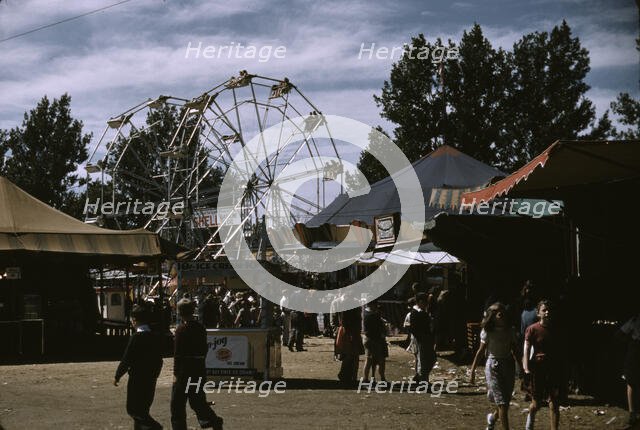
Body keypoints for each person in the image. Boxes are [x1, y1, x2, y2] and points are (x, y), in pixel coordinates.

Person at [171, 298, 223, 430]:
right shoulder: (200, 328)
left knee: (177, 404)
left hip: (184, 371)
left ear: (179, 312)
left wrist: (176, 373)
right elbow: (204, 349)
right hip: (198, 368)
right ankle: (213, 420)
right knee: (197, 402)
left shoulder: (181, 330)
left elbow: (178, 354)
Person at [114, 304, 163, 430]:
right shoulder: (154, 336)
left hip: (137, 379)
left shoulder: (136, 338)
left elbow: (127, 359)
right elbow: (159, 359)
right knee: (144, 409)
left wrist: (118, 375)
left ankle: (155, 427)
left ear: (134, 320)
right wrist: (155, 374)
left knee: (133, 409)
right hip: (151, 378)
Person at [470, 303, 517, 430]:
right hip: (493, 366)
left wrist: (522, 369)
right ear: (492, 315)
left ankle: (492, 419)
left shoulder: (510, 330)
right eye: (496, 311)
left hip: (508, 365)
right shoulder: (488, 331)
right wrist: (473, 370)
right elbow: (480, 351)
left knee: (505, 402)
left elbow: (515, 350)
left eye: (501, 310)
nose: (499, 313)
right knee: (502, 402)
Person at [522, 300, 564, 430]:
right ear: (538, 313)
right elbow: (527, 349)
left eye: (548, 310)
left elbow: (560, 350)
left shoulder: (556, 329)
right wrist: (526, 367)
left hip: (553, 369)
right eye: (544, 310)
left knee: (554, 403)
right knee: (536, 404)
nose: (547, 312)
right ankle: (530, 419)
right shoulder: (532, 329)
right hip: (538, 369)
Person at [405, 292, 436, 385]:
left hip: (424, 338)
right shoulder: (416, 313)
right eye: (425, 302)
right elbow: (412, 328)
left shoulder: (422, 312)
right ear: (421, 302)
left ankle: (421, 377)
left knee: (428, 359)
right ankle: (423, 380)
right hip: (421, 339)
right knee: (424, 360)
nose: (427, 304)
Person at [619, 312, 640, 427]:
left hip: (635, 349)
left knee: (631, 382)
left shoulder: (635, 319)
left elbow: (620, 333)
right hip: (635, 349)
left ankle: (632, 412)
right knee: (632, 381)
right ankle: (633, 412)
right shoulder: (635, 319)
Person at [336, 307, 364, 384]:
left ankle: (348, 375)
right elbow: (346, 322)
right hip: (351, 333)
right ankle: (350, 376)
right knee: (352, 355)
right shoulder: (352, 310)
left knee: (350, 355)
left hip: (351, 333)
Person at [362, 301, 388, 382]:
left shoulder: (365, 312)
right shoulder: (374, 315)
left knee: (369, 360)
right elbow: (379, 328)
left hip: (367, 338)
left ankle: (367, 378)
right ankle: (382, 378)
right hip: (375, 339)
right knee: (380, 360)